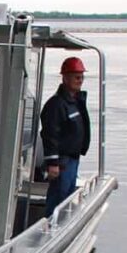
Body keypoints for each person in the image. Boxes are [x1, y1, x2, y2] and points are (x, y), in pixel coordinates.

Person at [40, 56, 91, 216]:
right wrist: (53, 162)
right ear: (65, 77)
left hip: (72, 160)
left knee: (66, 197)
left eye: (82, 76)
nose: (80, 80)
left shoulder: (74, 102)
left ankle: (60, 224)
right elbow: (50, 134)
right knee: (58, 197)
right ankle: (49, 226)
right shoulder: (57, 105)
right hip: (62, 161)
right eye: (77, 77)